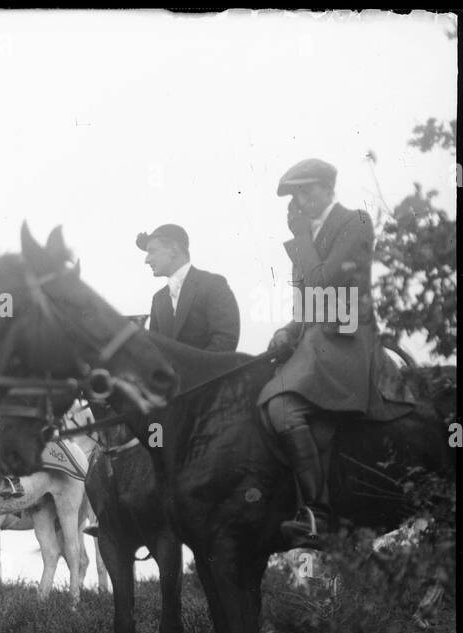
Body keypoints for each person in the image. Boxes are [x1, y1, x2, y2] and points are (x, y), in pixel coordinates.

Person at [258, 158, 412, 547]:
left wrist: (303, 240)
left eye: (308, 190)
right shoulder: (305, 236)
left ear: (329, 188)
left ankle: (319, 514)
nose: (301, 199)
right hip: (316, 339)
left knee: (282, 407)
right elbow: (308, 303)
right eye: (297, 194)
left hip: (348, 338)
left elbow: (325, 282)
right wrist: (288, 329)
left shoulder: (355, 222)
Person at [136, 223, 240, 352]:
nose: (147, 260)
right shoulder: (158, 299)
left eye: (152, 251)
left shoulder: (213, 284)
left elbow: (226, 340)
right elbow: (156, 351)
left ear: (173, 250)